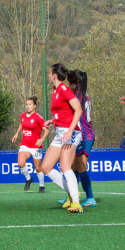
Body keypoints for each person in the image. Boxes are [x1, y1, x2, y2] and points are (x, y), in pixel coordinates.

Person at [41, 63, 83, 213]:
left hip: (70, 133)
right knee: (45, 167)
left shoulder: (64, 90)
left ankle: (76, 203)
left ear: (54, 75)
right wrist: (53, 120)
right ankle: (73, 193)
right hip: (60, 132)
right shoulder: (55, 90)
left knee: (65, 167)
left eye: (49, 73)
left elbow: (78, 109)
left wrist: (69, 131)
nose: (48, 75)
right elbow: (63, 111)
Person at [58, 70, 96, 207]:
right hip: (86, 133)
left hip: (84, 135)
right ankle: (72, 194)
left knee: (80, 166)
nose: (68, 82)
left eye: (70, 80)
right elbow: (89, 115)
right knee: (72, 166)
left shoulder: (77, 95)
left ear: (76, 82)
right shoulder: (83, 94)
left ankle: (90, 198)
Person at [12, 96, 49, 193]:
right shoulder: (23, 115)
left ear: (34, 106)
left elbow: (46, 131)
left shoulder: (38, 117)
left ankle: (41, 185)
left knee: (38, 168)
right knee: (20, 163)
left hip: (36, 146)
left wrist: (41, 139)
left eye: (30, 104)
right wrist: (16, 133)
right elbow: (22, 123)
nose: (28, 106)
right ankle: (29, 179)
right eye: (26, 104)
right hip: (25, 144)